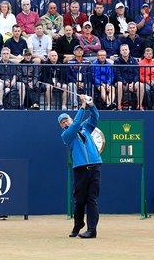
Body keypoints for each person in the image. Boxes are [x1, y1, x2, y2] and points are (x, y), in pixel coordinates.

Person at [58, 95, 101, 239]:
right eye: (62, 123)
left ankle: (92, 230)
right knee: (80, 201)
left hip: (94, 167)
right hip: (80, 170)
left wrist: (91, 105)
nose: (65, 124)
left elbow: (95, 118)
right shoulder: (66, 135)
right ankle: (78, 224)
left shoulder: (85, 128)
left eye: (66, 120)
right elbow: (76, 124)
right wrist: (82, 106)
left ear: (70, 119)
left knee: (92, 199)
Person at [114, 43, 143, 110]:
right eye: (123, 50)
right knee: (119, 84)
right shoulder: (117, 61)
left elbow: (137, 73)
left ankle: (139, 105)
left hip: (132, 83)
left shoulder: (134, 60)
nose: (124, 51)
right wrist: (125, 83)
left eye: (126, 50)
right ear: (120, 52)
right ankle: (119, 105)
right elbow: (117, 74)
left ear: (129, 51)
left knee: (140, 85)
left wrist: (133, 82)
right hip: (122, 83)